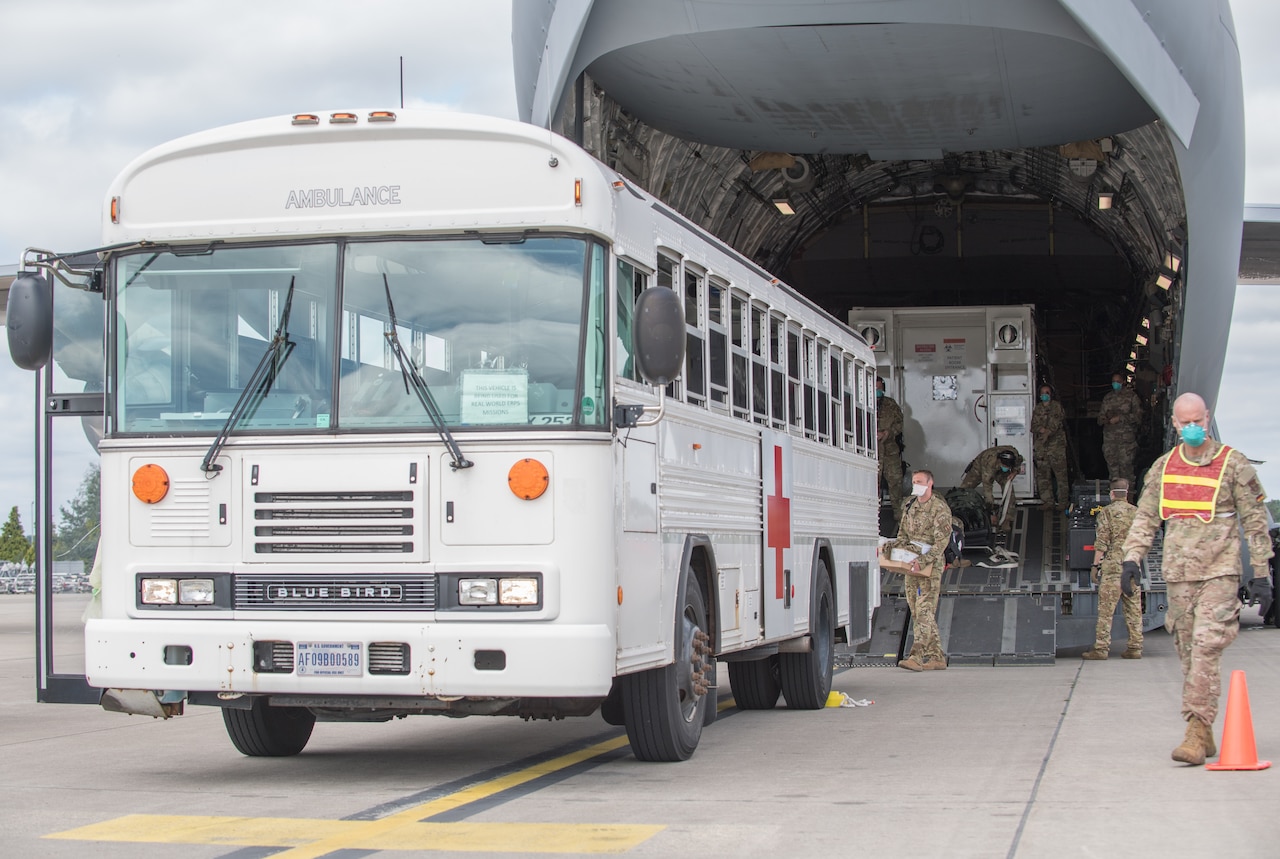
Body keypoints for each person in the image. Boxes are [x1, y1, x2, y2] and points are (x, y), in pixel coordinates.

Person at [1121, 392, 1274, 766]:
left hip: (1220, 573)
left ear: (1208, 419)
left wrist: (1261, 573)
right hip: (1179, 576)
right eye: (1185, 422)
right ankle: (1204, 730)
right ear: (1174, 424)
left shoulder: (1232, 465)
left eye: (1198, 421)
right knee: (1188, 651)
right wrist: (1131, 559)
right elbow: (1145, 518)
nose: (1192, 428)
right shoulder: (1163, 468)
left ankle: (1194, 729)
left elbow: (1255, 521)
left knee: (1206, 645)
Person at [882, 469, 952, 671]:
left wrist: (923, 560)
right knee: (917, 609)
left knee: (924, 610)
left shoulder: (939, 509)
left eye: (920, 481)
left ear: (930, 483)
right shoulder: (910, 505)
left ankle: (917, 656)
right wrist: (898, 552)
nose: (916, 485)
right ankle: (936, 656)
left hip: (930, 565)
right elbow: (903, 532)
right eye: (914, 481)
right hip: (911, 564)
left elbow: (941, 543)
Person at [1082, 479, 1142, 659]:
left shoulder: (1106, 512)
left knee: (1106, 611)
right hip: (1132, 566)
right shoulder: (1137, 513)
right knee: (1133, 609)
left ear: (1112, 494)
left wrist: (1095, 566)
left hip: (1114, 567)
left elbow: (1101, 543)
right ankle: (1135, 647)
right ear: (1127, 492)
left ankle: (1101, 649)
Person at [959, 444, 1023, 533]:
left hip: (999, 469)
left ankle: (1007, 519)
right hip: (980, 467)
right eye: (1005, 465)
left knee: (1008, 489)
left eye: (1008, 466)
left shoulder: (1014, 454)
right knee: (963, 490)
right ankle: (960, 515)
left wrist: (1014, 472)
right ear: (999, 461)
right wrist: (991, 512)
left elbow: (1019, 462)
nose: (1007, 468)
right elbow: (987, 489)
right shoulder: (989, 462)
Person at [1097, 372, 1142, 488]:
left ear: (1123, 382)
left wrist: (1120, 418)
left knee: (1126, 470)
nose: (1115, 384)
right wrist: (1105, 419)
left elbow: (1139, 417)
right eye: (1113, 381)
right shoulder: (1108, 398)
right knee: (1113, 471)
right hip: (1110, 441)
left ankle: (1129, 499)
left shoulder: (1132, 397)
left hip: (1126, 441)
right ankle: (1115, 499)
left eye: (1117, 381)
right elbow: (1100, 417)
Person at [1031, 384, 1069, 510]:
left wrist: (1047, 432)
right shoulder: (1038, 409)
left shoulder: (1056, 407)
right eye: (1042, 393)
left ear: (1051, 394)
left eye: (1047, 392)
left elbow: (1056, 424)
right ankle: (1048, 501)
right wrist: (1040, 429)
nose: (1044, 395)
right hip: (1042, 447)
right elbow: (1033, 426)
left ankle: (1063, 501)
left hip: (1056, 447)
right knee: (1042, 475)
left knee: (1060, 475)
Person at [876, 377, 906, 523]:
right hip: (870, 452)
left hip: (889, 451)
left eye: (879, 388)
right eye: (875, 388)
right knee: (872, 484)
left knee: (895, 482)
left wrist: (887, 433)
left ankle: (899, 519)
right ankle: (873, 517)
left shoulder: (890, 405)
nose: (877, 392)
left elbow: (899, 424)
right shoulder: (859, 402)